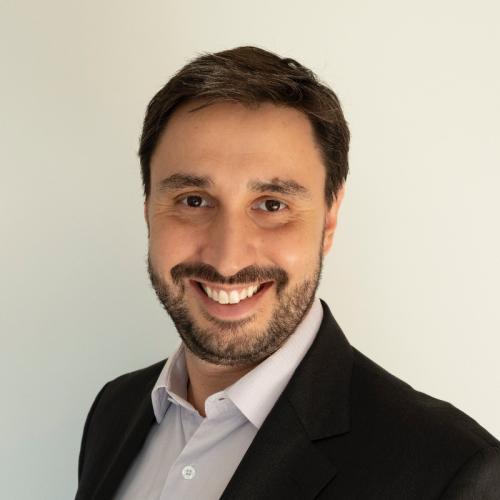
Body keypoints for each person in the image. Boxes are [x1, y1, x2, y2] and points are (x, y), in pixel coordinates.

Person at [75, 46, 500, 500]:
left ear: (329, 221)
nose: (227, 259)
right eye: (193, 200)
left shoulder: (450, 471)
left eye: (272, 205)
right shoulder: (114, 411)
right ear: (148, 210)